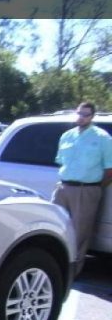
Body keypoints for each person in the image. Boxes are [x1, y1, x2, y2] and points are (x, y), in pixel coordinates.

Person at [53, 101, 112, 271]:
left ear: (92, 116)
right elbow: (60, 162)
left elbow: (109, 169)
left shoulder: (102, 138)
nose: (81, 117)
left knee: (80, 232)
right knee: (56, 226)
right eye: (79, 113)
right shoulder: (67, 136)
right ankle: (56, 264)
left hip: (86, 189)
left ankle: (73, 270)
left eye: (86, 115)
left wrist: (95, 188)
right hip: (63, 188)